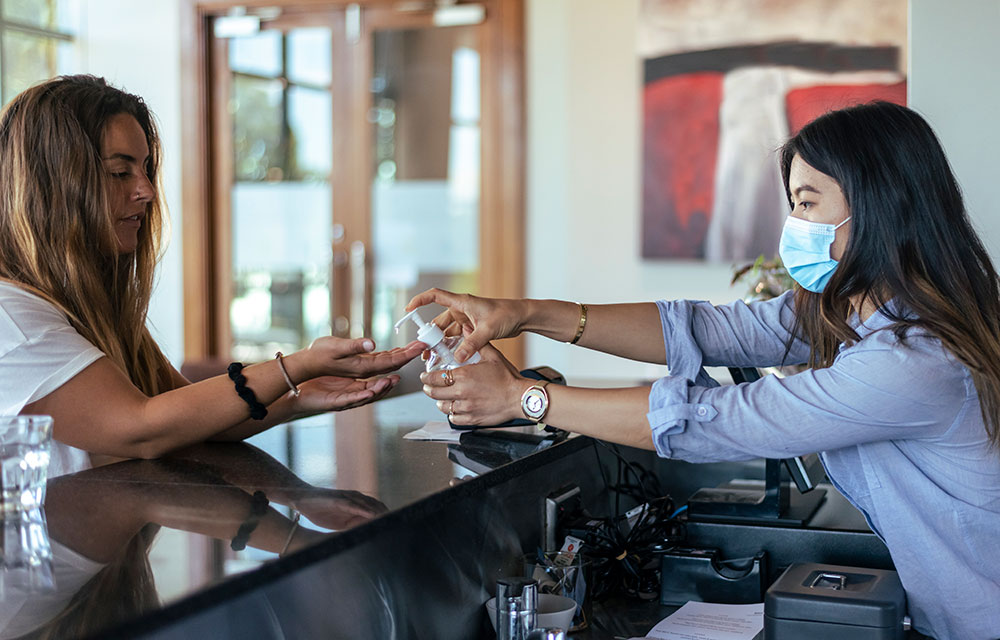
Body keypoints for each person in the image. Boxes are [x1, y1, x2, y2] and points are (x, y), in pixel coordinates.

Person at [412, 101, 1000, 640]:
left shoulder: (915, 361)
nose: (795, 223)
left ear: (877, 205)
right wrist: (524, 314)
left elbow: (710, 419)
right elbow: (704, 329)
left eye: (807, 202)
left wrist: (522, 399)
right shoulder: (861, 311)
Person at [0, 75, 423, 476]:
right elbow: (141, 427)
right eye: (120, 172)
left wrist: (297, 396)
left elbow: (181, 414)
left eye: (145, 169)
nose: (146, 190)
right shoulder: (11, 318)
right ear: (50, 185)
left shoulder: (71, 305)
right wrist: (292, 368)